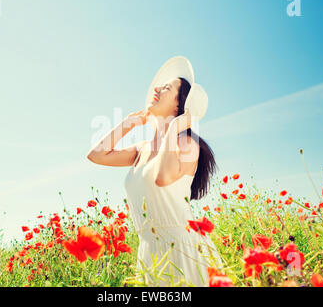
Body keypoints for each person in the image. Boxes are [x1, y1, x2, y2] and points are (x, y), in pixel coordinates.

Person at [87, 58, 223, 286]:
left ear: (179, 105)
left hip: (182, 249)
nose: (157, 89)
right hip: (150, 251)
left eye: (166, 88)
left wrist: (173, 128)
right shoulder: (142, 149)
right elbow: (97, 155)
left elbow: (163, 177)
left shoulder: (188, 144)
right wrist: (129, 123)